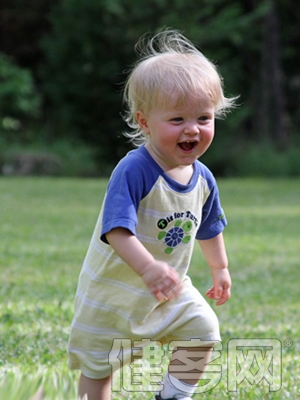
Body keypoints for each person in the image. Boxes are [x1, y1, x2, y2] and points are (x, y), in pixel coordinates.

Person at [68, 29, 236, 400]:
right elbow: (116, 230)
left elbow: (209, 226)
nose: (192, 129)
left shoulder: (203, 178)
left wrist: (220, 269)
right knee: (98, 370)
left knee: (203, 330)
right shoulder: (135, 169)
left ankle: (173, 395)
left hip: (167, 290)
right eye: (177, 119)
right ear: (144, 122)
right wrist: (147, 268)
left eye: (204, 118)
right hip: (114, 295)